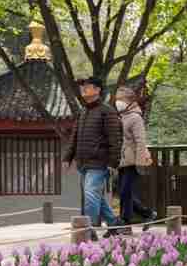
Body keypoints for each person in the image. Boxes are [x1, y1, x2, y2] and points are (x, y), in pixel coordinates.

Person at [63, 77, 124, 240]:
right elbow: (74, 137)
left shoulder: (107, 111)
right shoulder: (83, 112)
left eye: (88, 87)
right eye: (83, 87)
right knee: (94, 195)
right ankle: (114, 223)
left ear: (97, 90)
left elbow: (115, 139)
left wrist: (113, 162)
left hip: (99, 162)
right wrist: (67, 158)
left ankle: (88, 230)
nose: (84, 90)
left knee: (90, 194)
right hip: (83, 162)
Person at [114, 86, 157, 234]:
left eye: (121, 99)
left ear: (130, 101)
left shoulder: (135, 118)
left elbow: (140, 141)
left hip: (133, 161)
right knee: (124, 192)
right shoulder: (121, 116)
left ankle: (125, 221)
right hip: (122, 161)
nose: (118, 102)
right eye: (117, 99)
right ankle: (147, 213)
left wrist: (140, 162)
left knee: (126, 191)